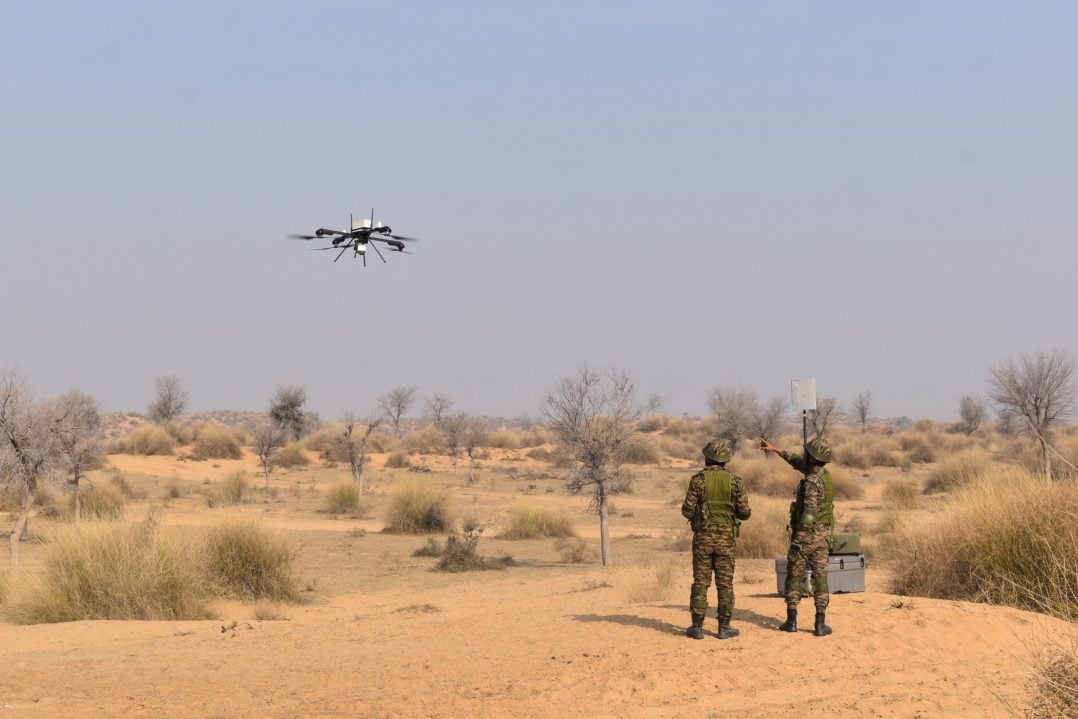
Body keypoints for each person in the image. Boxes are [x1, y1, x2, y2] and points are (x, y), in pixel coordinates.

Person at [760, 436, 835, 637]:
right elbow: (797, 462)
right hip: (823, 537)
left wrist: (798, 539)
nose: (805, 455)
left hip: (806, 536)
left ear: (812, 458)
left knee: (794, 576)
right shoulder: (824, 475)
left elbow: (809, 512)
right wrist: (776, 450)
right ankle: (820, 624)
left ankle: (791, 621)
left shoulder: (811, 482)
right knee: (821, 578)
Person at [680, 438, 751, 640]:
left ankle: (697, 627)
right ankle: (724, 627)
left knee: (700, 582)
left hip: (702, 539)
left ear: (707, 457)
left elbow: (686, 511)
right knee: (725, 584)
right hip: (726, 541)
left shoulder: (698, 480)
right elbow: (745, 513)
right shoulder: (735, 482)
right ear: (725, 460)